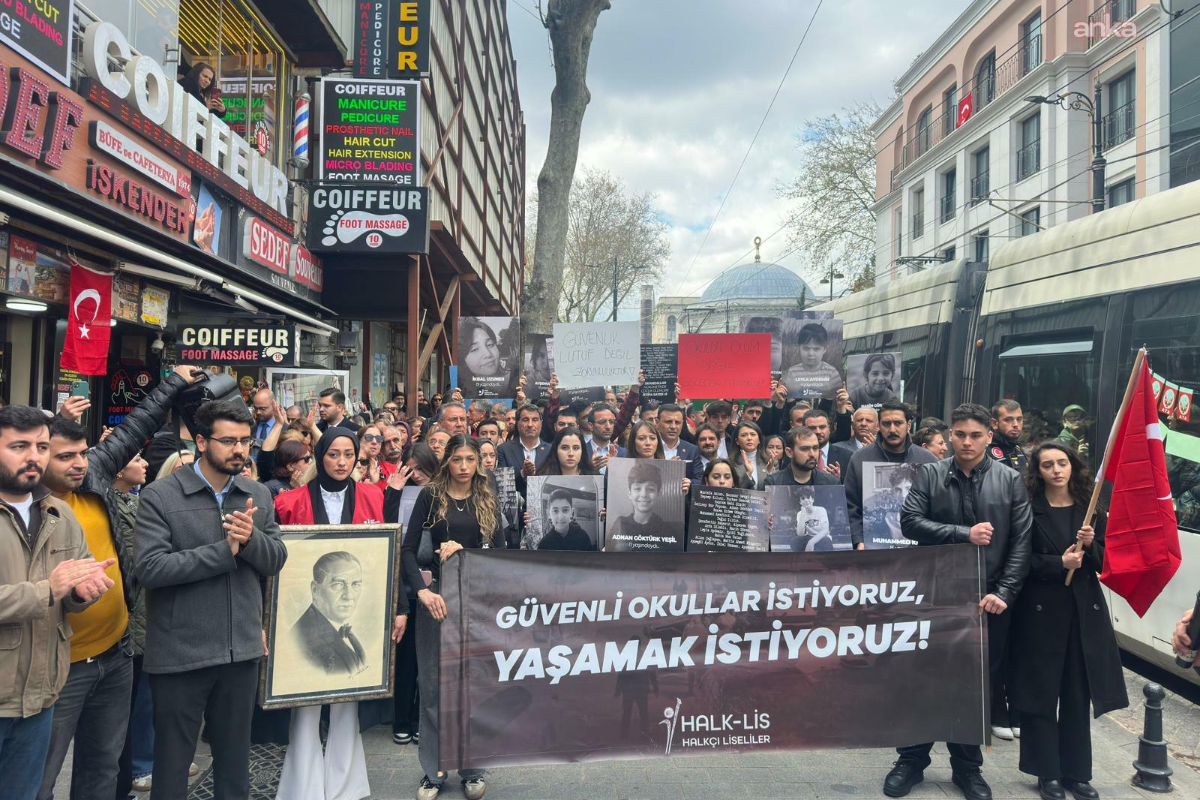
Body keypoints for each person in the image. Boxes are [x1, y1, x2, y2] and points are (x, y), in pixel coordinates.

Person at [37, 367, 199, 800]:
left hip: (115, 653)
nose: (78, 464)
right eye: (64, 456)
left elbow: (136, 425)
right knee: (40, 777)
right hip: (58, 667)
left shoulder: (93, 476)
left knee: (103, 770)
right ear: (36, 459)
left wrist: (175, 382)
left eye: (82, 453)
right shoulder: (22, 507)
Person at [135, 400, 288, 800]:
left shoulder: (255, 494)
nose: (240, 450)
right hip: (180, 654)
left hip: (240, 653)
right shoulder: (160, 495)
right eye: (228, 441)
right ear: (201, 441)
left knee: (235, 765)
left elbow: (276, 561)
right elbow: (150, 569)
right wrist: (226, 551)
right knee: (172, 768)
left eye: (245, 441)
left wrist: (252, 539)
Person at [889, 403, 1032, 800]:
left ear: (989, 436)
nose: (966, 442)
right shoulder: (930, 473)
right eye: (959, 434)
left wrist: (1004, 593)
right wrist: (961, 532)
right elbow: (910, 521)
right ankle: (911, 760)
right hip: (936, 594)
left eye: (975, 435)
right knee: (924, 678)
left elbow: (1022, 541)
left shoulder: (1009, 480)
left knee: (977, 686)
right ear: (950, 435)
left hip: (989, 600)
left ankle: (968, 769)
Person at [274, 428, 406, 800]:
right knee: (305, 704)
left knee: (349, 699)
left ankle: (347, 786)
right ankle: (303, 787)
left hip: (356, 612)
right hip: (303, 614)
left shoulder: (373, 497)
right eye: (333, 455)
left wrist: (398, 608)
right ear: (320, 457)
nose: (342, 462)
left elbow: (387, 559)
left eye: (350, 455)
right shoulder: (289, 502)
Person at [0, 406, 114, 800]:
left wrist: (82, 593)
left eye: (42, 446)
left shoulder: (59, 513)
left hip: (41, 696)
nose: (33, 456)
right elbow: (51, 589)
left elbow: (69, 592)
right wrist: (49, 589)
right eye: (19, 446)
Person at [1011, 442, 1127, 800]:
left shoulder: (1090, 511)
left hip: (1081, 615)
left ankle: (1077, 773)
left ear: (1073, 466)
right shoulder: (1028, 510)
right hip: (1040, 614)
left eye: (1062, 463)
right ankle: (1047, 772)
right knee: (1041, 694)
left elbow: (1108, 566)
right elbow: (1018, 562)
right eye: (1048, 465)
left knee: (1077, 694)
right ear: (1038, 471)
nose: (1057, 470)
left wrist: (1091, 547)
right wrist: (1057, 565)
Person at [402, 436, 501, 800]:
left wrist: (467, 551)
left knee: (472, 685)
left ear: (478, 462)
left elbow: (502, 552)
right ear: (447, 461)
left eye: (470, 459)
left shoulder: (487, 498)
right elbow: (409, 550)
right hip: (436, 602)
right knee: (432, 685)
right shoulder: (430, 496)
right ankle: (434, 768)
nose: (463, 465)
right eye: (457, 458)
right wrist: (423, 592)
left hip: (475, 602)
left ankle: (473, 768)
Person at [843, 400, 938, 551]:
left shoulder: (928, 460)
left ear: (908, 424)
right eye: (886, 424)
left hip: (919, 551)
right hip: (872, 550)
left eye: (898, 423)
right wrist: (858, 539)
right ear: (879, 426)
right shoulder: (859, 458)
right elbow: (850, 505)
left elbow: (937, 505)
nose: (892, 429)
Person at [607, 460, 667, 542]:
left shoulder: (666, 529)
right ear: (629, 493)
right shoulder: (620, 524)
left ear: (658, 494)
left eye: (650, 489)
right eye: (637, 488)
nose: (643, 495)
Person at [496, 404, 549, 496]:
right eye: (525, 420)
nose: (530, 424)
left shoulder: (550, 450)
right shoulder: (504, 449)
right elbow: (502, 485)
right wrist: (523, 473)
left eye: (535, 420)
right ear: (517, 423)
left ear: (541, 423)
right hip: (516, 507)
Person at [766, 427, 842, 487]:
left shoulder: (831, 483)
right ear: (789, 452)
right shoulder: (773, 483)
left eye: (815, 448)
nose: (812, 454)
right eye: (805, 449)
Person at [783, 323, 841, 399]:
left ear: (824, 349)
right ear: (799, 347)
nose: (810, 354)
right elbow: (790, 399)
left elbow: (837, 400)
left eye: (816, 349)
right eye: (806, 348)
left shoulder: (832, 373)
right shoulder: (792, 372)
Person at [459, 319, 513, 397]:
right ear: (463, 360)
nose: (488, 354)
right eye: (474, 349)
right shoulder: (463, 392)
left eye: (490, 344)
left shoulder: (515, 381)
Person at [656, 404, 702, 480]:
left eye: (677, 422)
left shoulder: (692, 450)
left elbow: (699, 480)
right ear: (657, 422)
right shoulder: (649, 448)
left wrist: (688, 484)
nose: (673, 427)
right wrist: (665, 470)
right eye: (668, 422)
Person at [830, 406, 879, 475]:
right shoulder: (836, 448)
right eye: (859, 420)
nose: (863, 424)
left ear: (878, 426)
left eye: (869, 421)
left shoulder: (885, 450)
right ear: (853, 425)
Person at [990, 399, 1027, 472]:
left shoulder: (1018, 449)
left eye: (1019, 419)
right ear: (994, 423)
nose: (1015, 425)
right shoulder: (985, 451)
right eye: (1008, 420)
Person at [732, 420, 769, 490]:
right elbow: (732, 493)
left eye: (753, 434)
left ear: (759, 440)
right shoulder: (730, 463)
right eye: (744, 435)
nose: (749, 438)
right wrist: (748, 474)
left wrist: (770, 473)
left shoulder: (769, 461)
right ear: (737, 441)